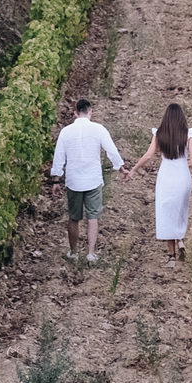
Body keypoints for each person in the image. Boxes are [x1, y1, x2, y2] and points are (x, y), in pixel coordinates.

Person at [122, 101, 192, 267]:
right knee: (180, 209)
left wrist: (134, 169)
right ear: (182, 118)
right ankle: (180, 238)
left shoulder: (159, 134)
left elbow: (149, 155)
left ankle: (171, 257)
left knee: (166, 212)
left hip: (166, 176)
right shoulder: (188, 134)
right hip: (182, 176)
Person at [50, 97, 125, 264]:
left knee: (74, 217)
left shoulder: (66, 132)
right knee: (93, 217)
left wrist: (56, 179)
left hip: (73, 180)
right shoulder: (99, 129)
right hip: (93, 179)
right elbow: (111, 150)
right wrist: (120, 168)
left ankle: (73, 252)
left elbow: (59, 157)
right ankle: (91, 253)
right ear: (90, 112)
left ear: (75, 113)